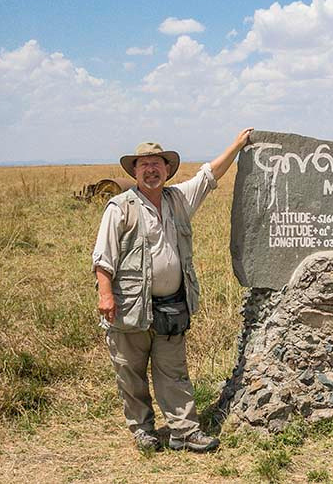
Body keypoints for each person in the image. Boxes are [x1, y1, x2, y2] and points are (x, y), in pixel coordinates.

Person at [92, 127, 254, 452]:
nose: (151, 170)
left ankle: (185, 431)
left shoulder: (178, 199)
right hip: (129, 309)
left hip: (170, 307)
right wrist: (105, 294)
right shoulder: (120, 207)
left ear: (167, 170)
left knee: (174, 372)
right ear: (134, 171)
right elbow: (103, 257)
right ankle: (143, 430)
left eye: (157, 164)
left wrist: (237, 145)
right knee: (130, 373)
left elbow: (209, 176)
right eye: (144, 165)